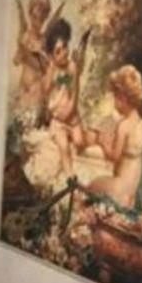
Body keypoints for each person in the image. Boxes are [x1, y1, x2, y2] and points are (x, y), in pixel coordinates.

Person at [86, 65, 142, 214]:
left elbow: (114, 157)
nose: (114, 102)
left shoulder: (123, 126)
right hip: (131, 195)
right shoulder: (139, 124)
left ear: (121, 97)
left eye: (115, 97)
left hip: (119, 189)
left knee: (91, 186)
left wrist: (102, 143)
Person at [42, 17, 88, 176]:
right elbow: (45, 89)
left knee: (80, 142)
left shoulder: (72, 67)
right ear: (51, 56)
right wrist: (51, 68)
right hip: (58, 121)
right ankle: (70, 178)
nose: (63, 53)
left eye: (65, 48)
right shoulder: (52, 70)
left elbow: (74, 94)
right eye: (58, 52)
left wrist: (70, 112)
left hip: (72, 118)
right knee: (63, 146)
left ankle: (77, 135)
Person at [13, 0, 61, 112]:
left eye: (40, 19)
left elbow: (46, 68)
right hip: (23, 93)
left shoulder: (43, 41)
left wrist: (38, 58)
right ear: (30, 14)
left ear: (44, 19)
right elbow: (16, 61)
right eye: (34, 17)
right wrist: (22, 50)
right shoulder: (25, 36)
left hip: (37, 94)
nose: (36, 22)